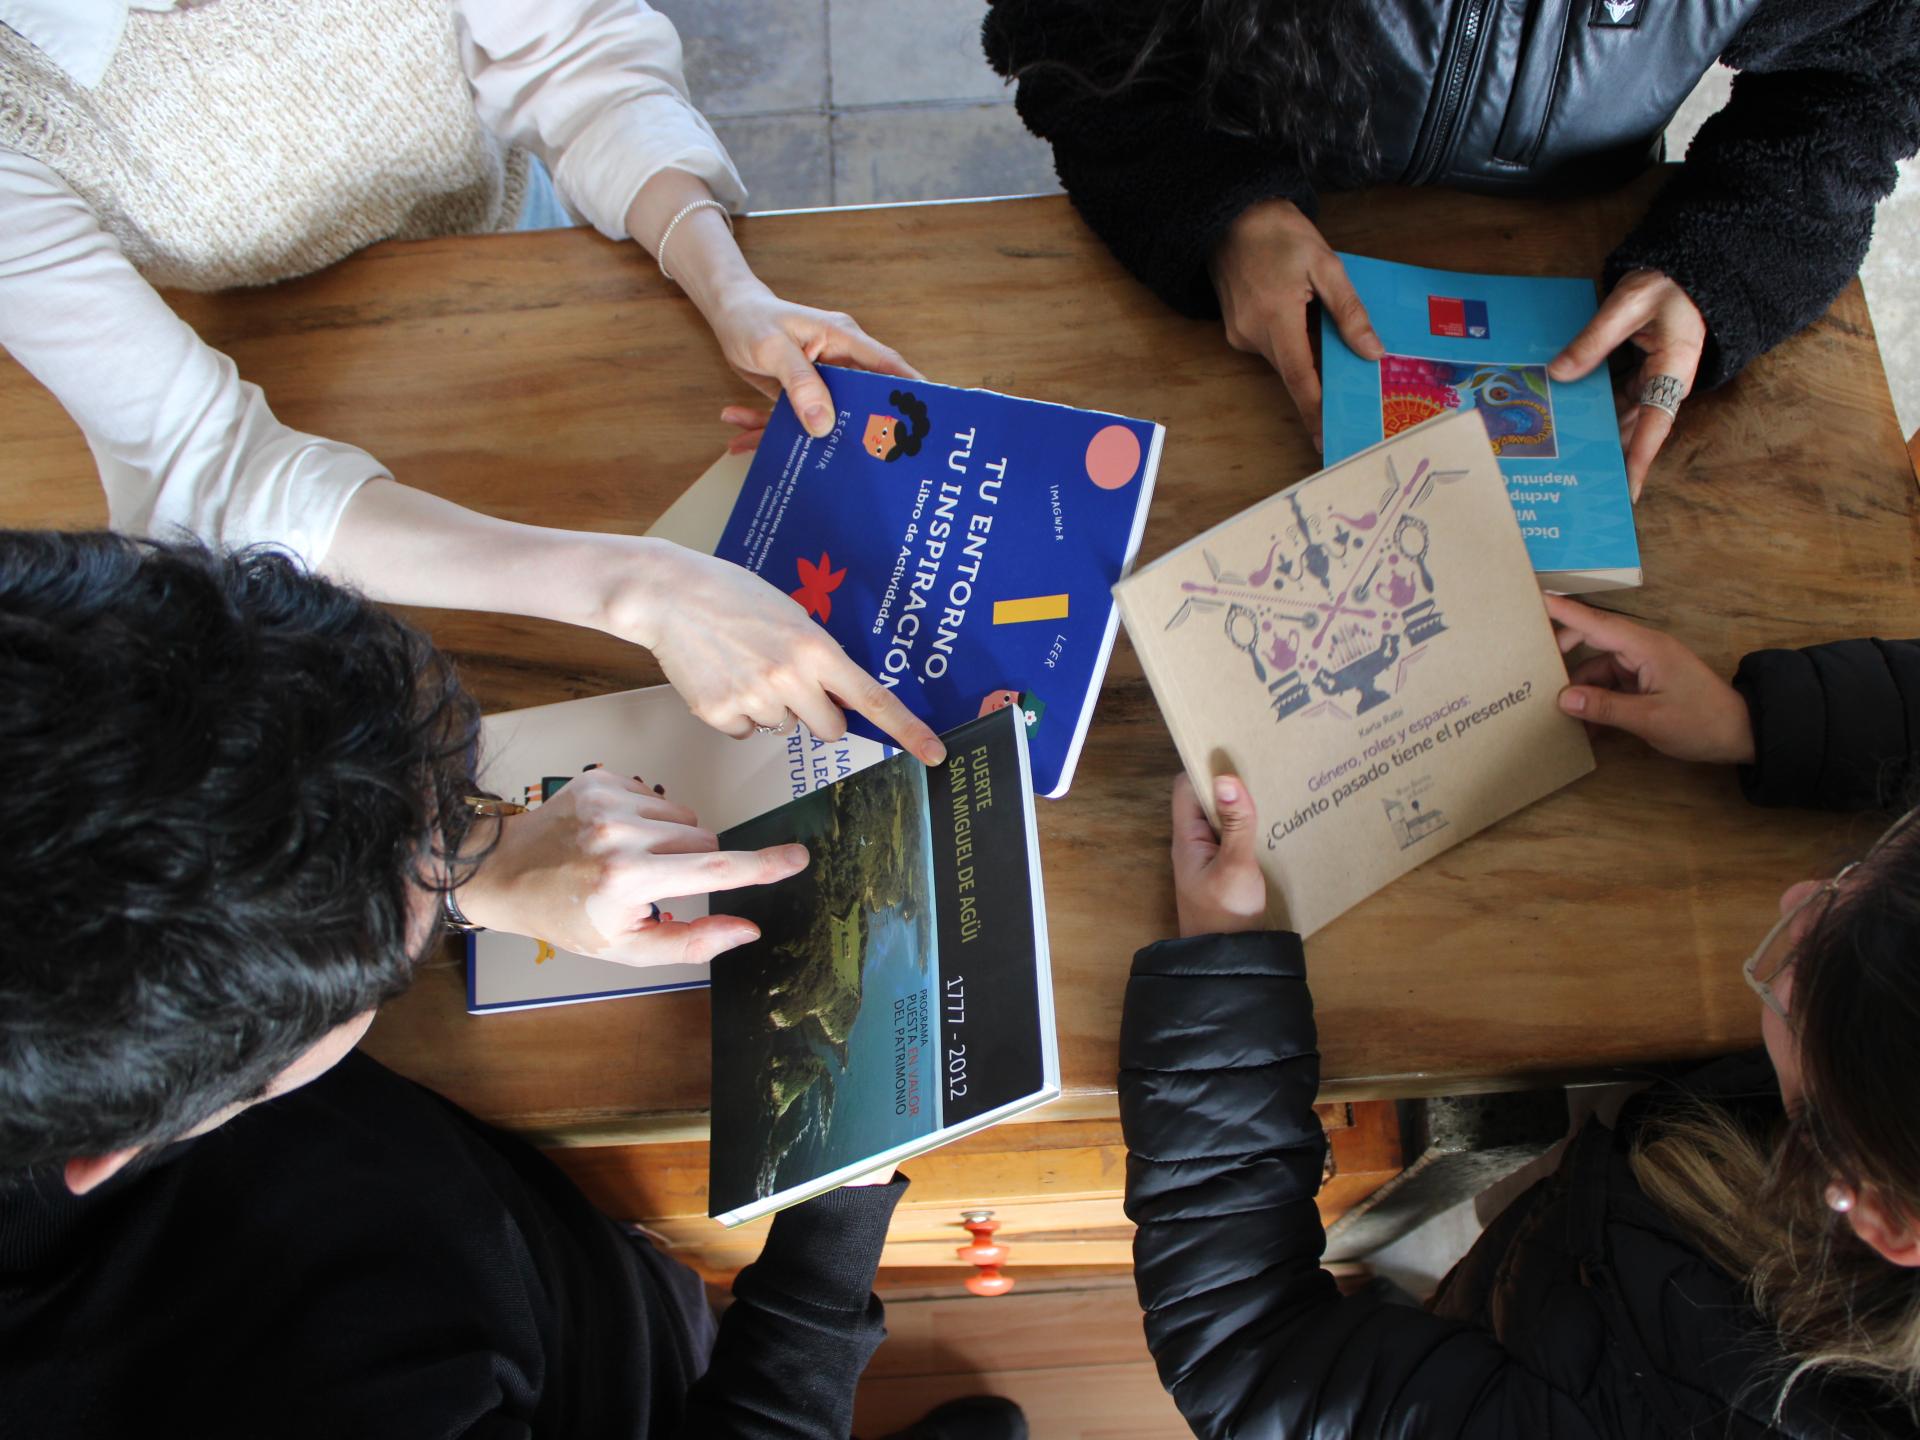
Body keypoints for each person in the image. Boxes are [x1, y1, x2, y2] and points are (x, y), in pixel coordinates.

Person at [0, 531, 1024, 1440]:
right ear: (112, 1148)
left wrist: (468, 869)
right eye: (381, 968)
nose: (454, 843)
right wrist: (832, 1216)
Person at [0, 1, 946, 816]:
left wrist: (727, 284)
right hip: (247, 365)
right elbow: (207, 468)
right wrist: (642, 589)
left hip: (511, 270)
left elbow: (574, 58)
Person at [1118, 596, 1920, 1436]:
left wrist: (1222, 973)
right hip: (1579, 1244)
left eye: (1797, 970)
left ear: (1877, 1211)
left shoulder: (1643, 1409)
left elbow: (1249, 1355)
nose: (1799, 895)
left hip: (1540, 1321)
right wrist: (1767, 719)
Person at [983, 0, 1920, 496]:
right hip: (1232, 257)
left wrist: (1731, 259)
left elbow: (1867, 81)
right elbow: (1064, 27)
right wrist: (1215, 204)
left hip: (1584, 257)